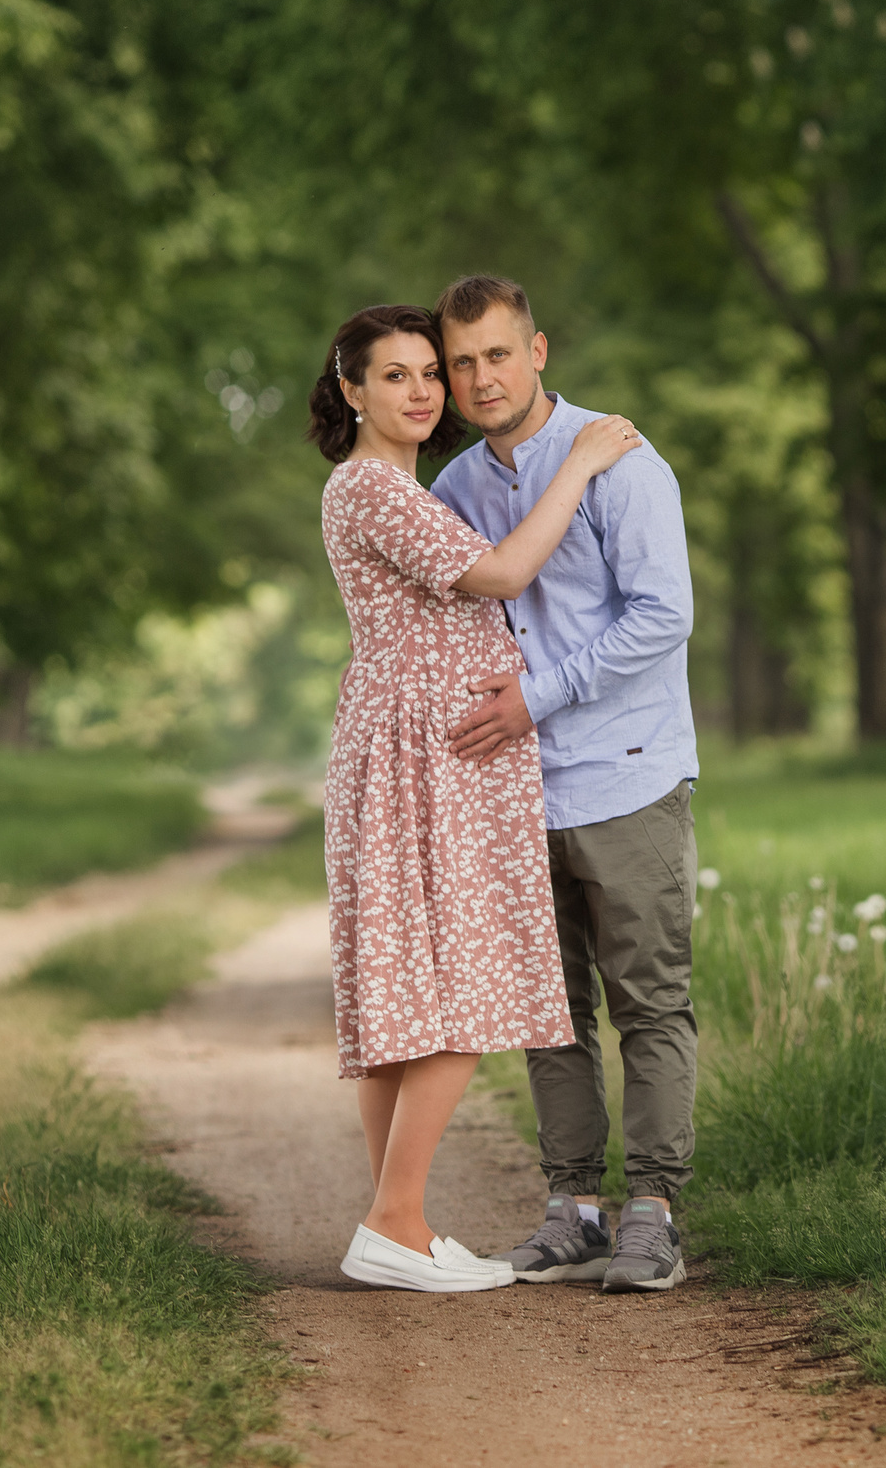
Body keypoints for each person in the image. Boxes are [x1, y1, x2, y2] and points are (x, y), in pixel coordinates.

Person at [307, 302, 645, 1295]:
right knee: (456, 983)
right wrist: (579, 464)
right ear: (350, 388)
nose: (419, 391)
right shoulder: (373, 489)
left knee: (404, 991)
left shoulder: (389, 489)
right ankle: (394, 1221)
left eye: (428, 373)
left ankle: (394, 1227)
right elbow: (499, 573)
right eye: (395, 374)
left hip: (414, 741)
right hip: (429, 751)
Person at [430, 274, 698, 1295]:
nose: (481, 377)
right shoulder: (455, 488)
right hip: (516, 791)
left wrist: (537, 697)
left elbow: (660, 615)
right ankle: (572, 1209)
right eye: (462, 363)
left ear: (537, 351)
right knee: (547, 1011)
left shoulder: (620, 462)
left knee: (648, 1004)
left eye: (497, 354)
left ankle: (655, 1214)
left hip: (626, 775)